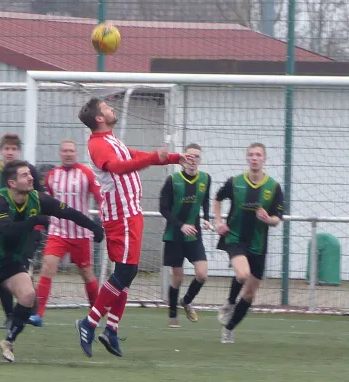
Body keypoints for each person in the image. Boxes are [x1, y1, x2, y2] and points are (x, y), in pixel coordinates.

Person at [0, 160, 104, 364]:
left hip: (11, 261)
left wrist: (94, 227)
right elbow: (7, 230)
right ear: (12, 182)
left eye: (30, 174)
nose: (31, 178)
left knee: (28, 296)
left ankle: (9, 341)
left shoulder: (38, 199)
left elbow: (67, 212)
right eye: (25, 175)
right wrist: (34, 221)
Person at [74, 97, 193, 358]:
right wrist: (152, 159)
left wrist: (172, 158)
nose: (111, 108)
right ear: (99, 118)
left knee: (126, 273)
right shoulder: (97, 144)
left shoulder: (111, 140)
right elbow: (118, 167)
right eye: (106, 107)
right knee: (127, 272)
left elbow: (133, 156)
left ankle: (111, 330)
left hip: (130, 214)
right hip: (121, 216)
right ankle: (90, 322)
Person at [0, 132, 44, 329]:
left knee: (20, 269)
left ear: (18, 151)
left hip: (25, 231)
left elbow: (41, 197)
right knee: (4, 270)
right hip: (0, 231)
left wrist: (39, 220)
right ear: (1, 150)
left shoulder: (27, 172)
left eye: (13, 149)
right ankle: (12, 315)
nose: (10, 152)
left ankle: (29, 309)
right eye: (6, 149)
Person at [214, 143, 283, 343]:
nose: (254, 158)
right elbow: (217, 198)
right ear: (247, 158)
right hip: (235, 238)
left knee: (250, 294)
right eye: (251, 155)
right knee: (243, 274)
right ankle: (229, 302)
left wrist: (268, 219)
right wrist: (218, 222)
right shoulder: (235, 182)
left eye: (258, 155)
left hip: (259, 244)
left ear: (264, 159)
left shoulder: (273, 187)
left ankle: (229, 328)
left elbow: (277, 218)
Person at [30, 140, 103, 326]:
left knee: (87, 274)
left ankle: (95, 315)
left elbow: (99, 196)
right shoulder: (51, 176)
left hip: (81, 234)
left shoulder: (86, 173)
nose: (68, 153)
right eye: (65, 151)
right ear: (60, 154)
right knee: (47, 268)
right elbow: (46, 204)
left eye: (71, 150)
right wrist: (38, 227)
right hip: (58, 232)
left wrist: (101, 221)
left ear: (76, 153)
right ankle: (38, 315)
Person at [159, 143, 211, 328]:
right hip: (175, 235)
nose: (192, 160)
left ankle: (187, 300)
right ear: (183, 159)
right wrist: (180, 225)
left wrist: (205, 218)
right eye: (189, 156)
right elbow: (163, 208)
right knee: (178, 277)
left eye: (196, 156)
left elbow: (205, 200)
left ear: (200, 160)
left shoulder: (206, 179)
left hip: (194, 235)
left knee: (202, 274)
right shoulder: (172, 180)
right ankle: (173, 315)